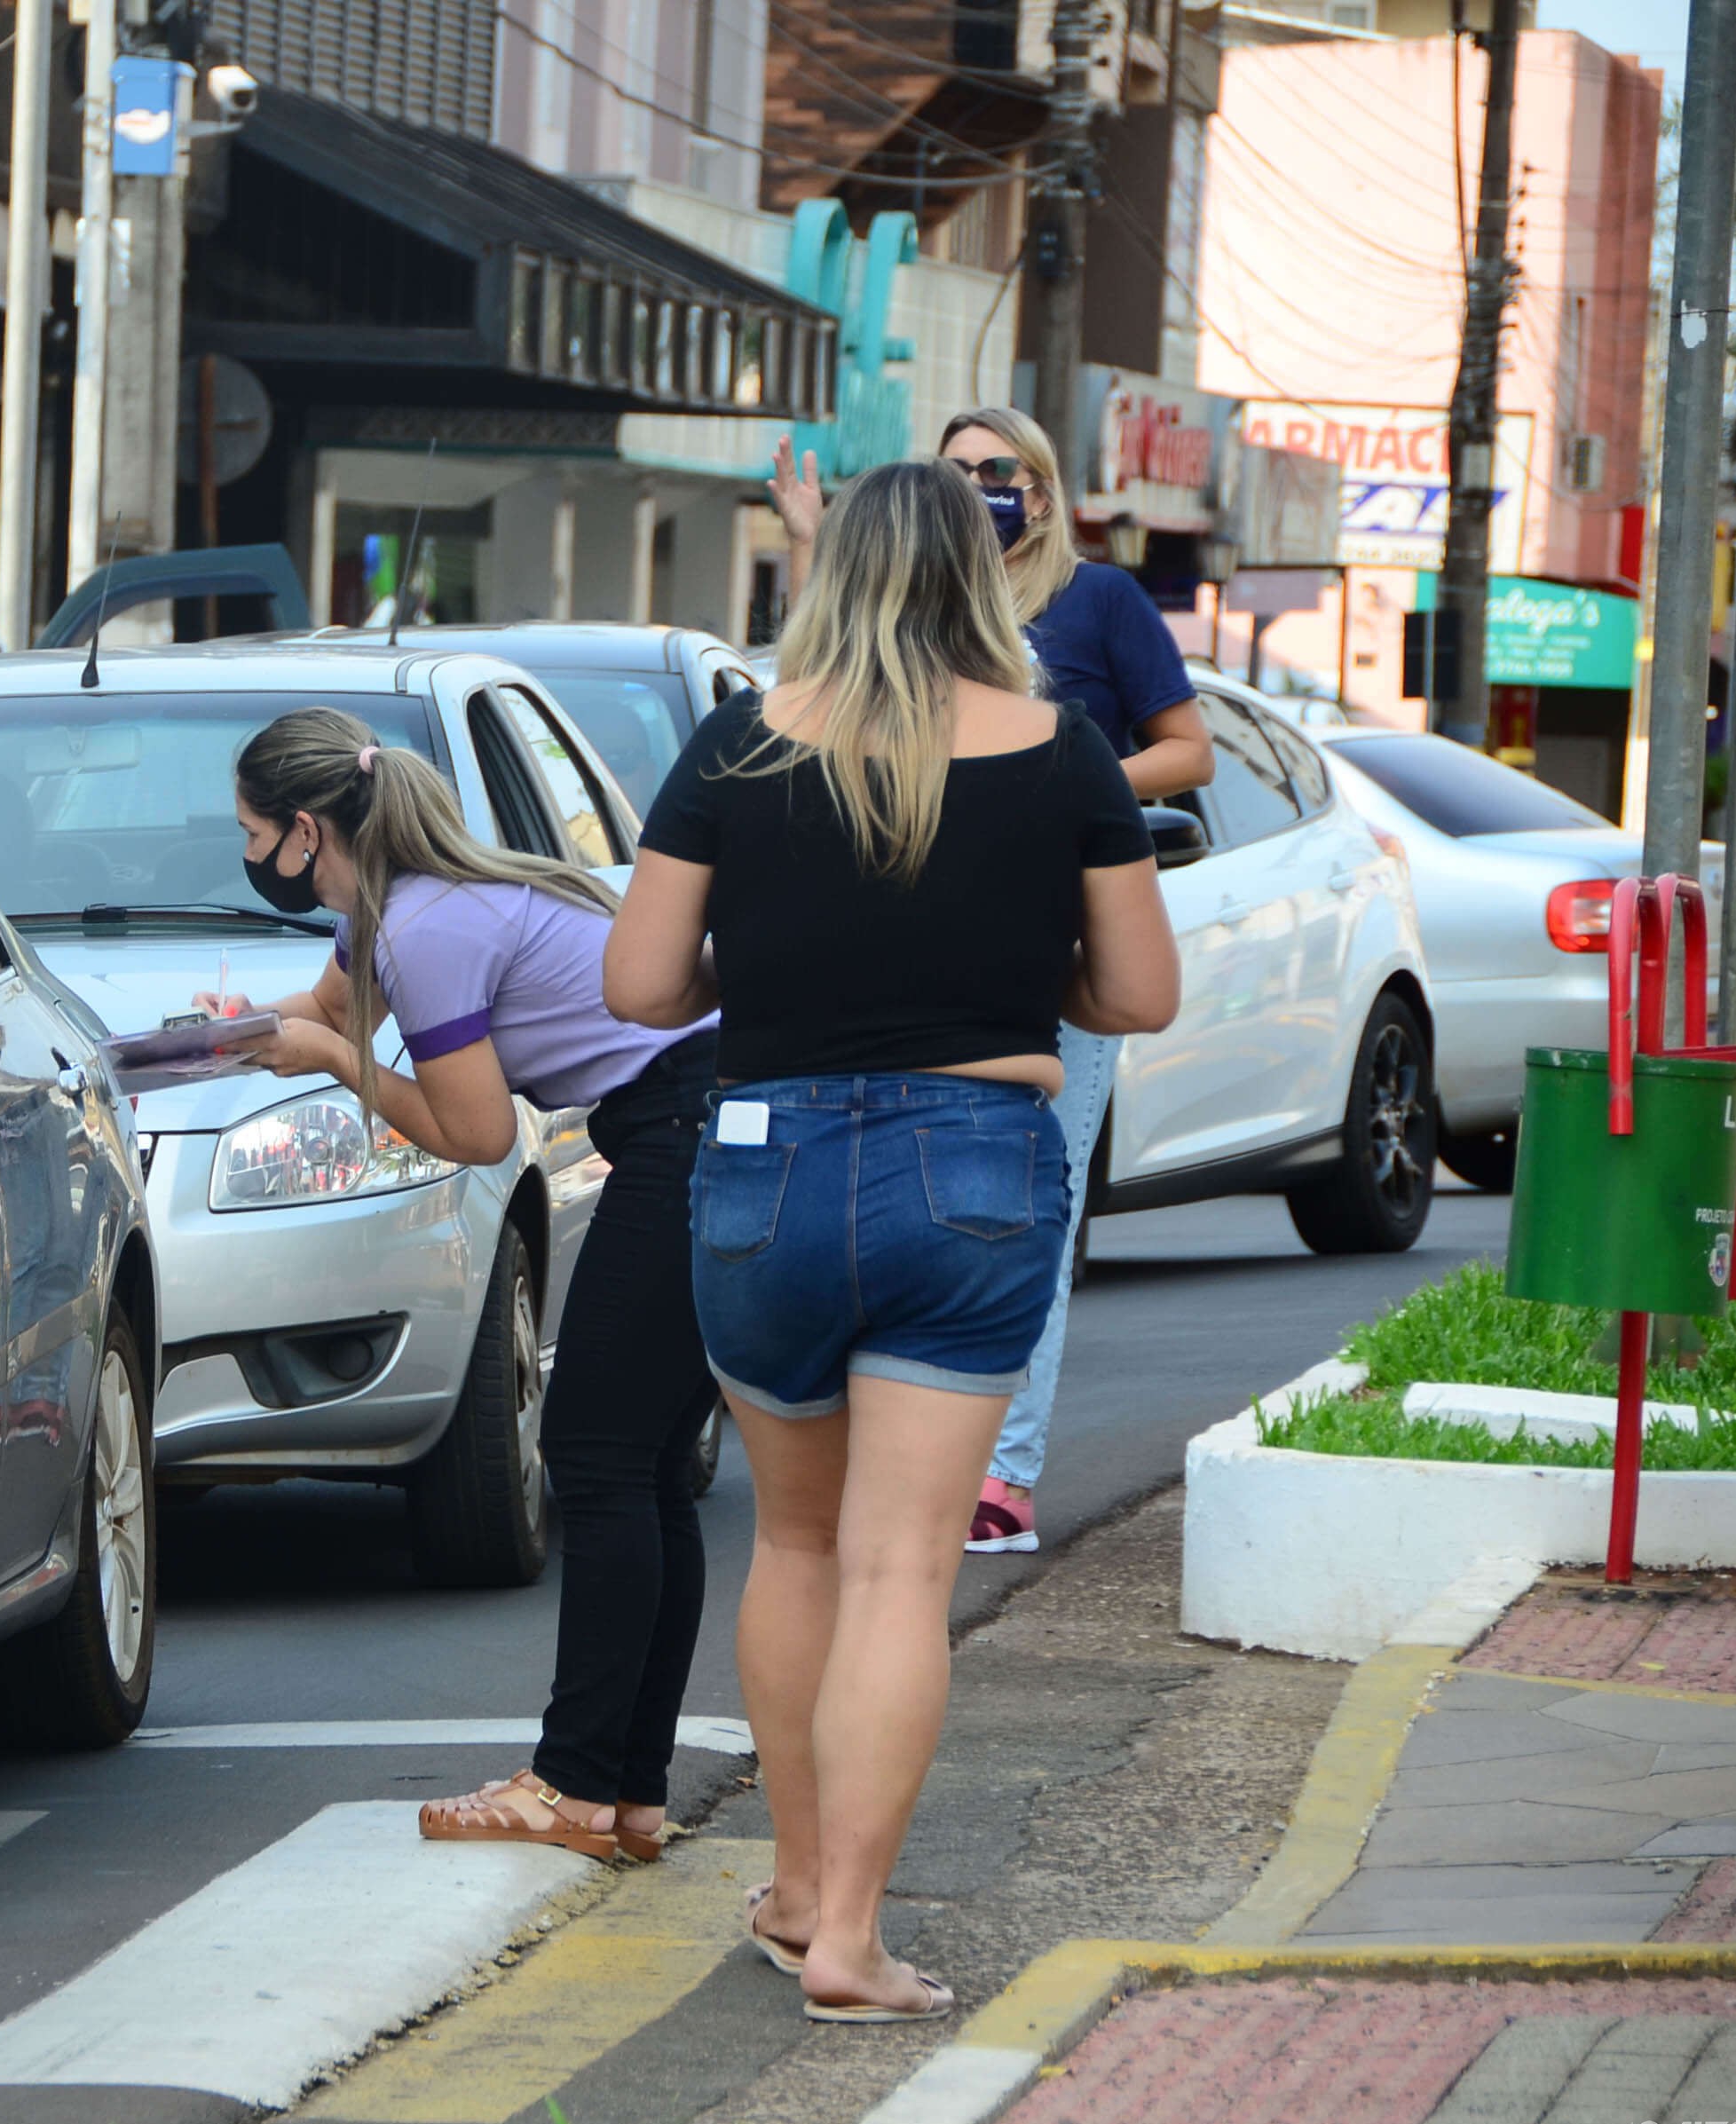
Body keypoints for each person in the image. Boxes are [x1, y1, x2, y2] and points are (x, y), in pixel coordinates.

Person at [604, 459, 1180, 2021]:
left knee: (793, 1544)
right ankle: (852, 1936)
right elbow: (1138, 997)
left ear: (832, 572)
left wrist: (790, 966)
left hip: (762, 1170)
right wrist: (1009, 972)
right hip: (971, 1166)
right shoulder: (1065, 753)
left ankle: (792, 1890)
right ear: (982, 583)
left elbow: (641, 989)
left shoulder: (735, 745)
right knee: (900, 1569)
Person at [225, 706, 721, 1863]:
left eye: (252, 836)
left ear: (306, 832)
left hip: (687, 1134)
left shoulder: (426, 926)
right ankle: (622, 1791)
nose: (247, 860)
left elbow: (477, 1131)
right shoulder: (386, 909)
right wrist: (223, 1036)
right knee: (636, 1462)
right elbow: (328, 1007)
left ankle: (581, 1783)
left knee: (599, 1458)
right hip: (685, 1125)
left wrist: (342, 1067)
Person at [770, 410, 1213, 1557]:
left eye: (997, 471)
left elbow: (1188, 751)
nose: (976, 488)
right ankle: (907, 1452)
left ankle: (999, 1473)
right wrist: (809, 542)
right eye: (953, 472)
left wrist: (1068, 782)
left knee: (1025, 1211)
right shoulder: (883, 616)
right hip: (892, 974)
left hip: (1051, 959)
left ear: (1045, 487)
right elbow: (806, 707)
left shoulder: (1097, 605)